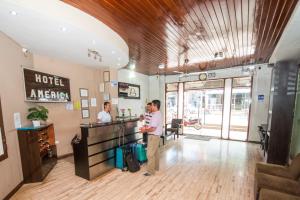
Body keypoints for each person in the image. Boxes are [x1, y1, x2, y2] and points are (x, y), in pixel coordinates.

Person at [140, 100, 163, 176]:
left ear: (155, 106)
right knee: (155, 153)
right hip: (156, 136)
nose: (150, 107)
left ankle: (150, 171)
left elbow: (153, 129)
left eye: (152, 105)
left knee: (149, 154)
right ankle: (156, 168)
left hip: (153, 136)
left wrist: (144, 130)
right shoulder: (157, 113)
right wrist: (146, 127)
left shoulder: (156, 115)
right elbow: (152, 126)